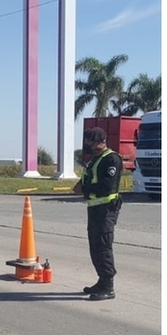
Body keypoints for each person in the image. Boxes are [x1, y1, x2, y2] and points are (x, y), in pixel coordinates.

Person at [73, 127, 123, 300]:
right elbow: (88, 178)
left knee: (103, 247)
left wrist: (84, 189)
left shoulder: (111, 159)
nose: (87, 144)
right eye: (86, 141)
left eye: (90, 141)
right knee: (95, 247)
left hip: (106, 209)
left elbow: (106, 186)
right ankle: (101, 281)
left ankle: (108, 287)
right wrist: (80, 185)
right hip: (95, 209)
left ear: (101, 142)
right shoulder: (94, 159)